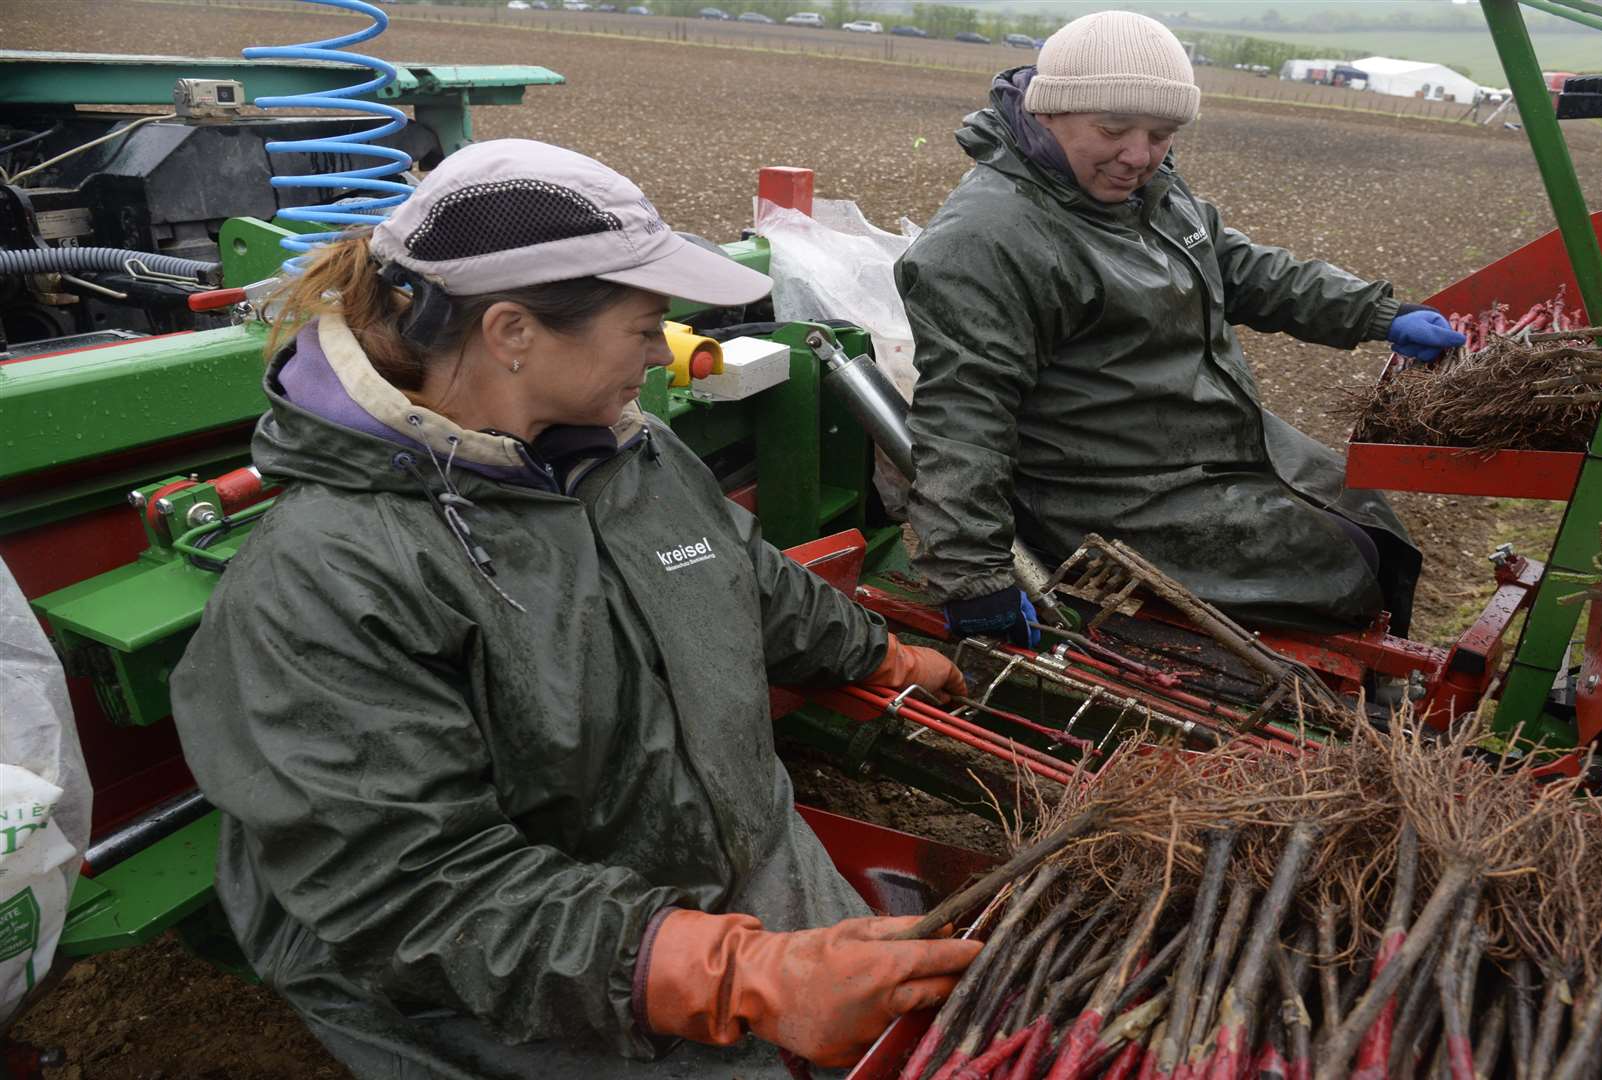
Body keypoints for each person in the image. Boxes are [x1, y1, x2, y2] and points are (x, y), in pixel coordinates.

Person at [170, 139, 980, 1080]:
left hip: (749, 880)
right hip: (541, 988)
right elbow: (413, 895)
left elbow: (742, 577)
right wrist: (733, 976)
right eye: (643, 327)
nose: (658, 351)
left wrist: (874, 655)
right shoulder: (327, 579)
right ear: (513, 332)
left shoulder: (625, 453)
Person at [897, 11, 1465, 645]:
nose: (1138, 156)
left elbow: (1235, 266)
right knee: (1342, 567)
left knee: (1372, 520)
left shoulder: (1145, 190)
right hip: (1109, 491)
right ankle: (1325, 711)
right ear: (1047, 112)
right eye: (1113, 129)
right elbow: (964, 417)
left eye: (1161, 134)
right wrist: (973, 577)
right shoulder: (987, 240)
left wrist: (1379, 314)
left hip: (1213, 439)